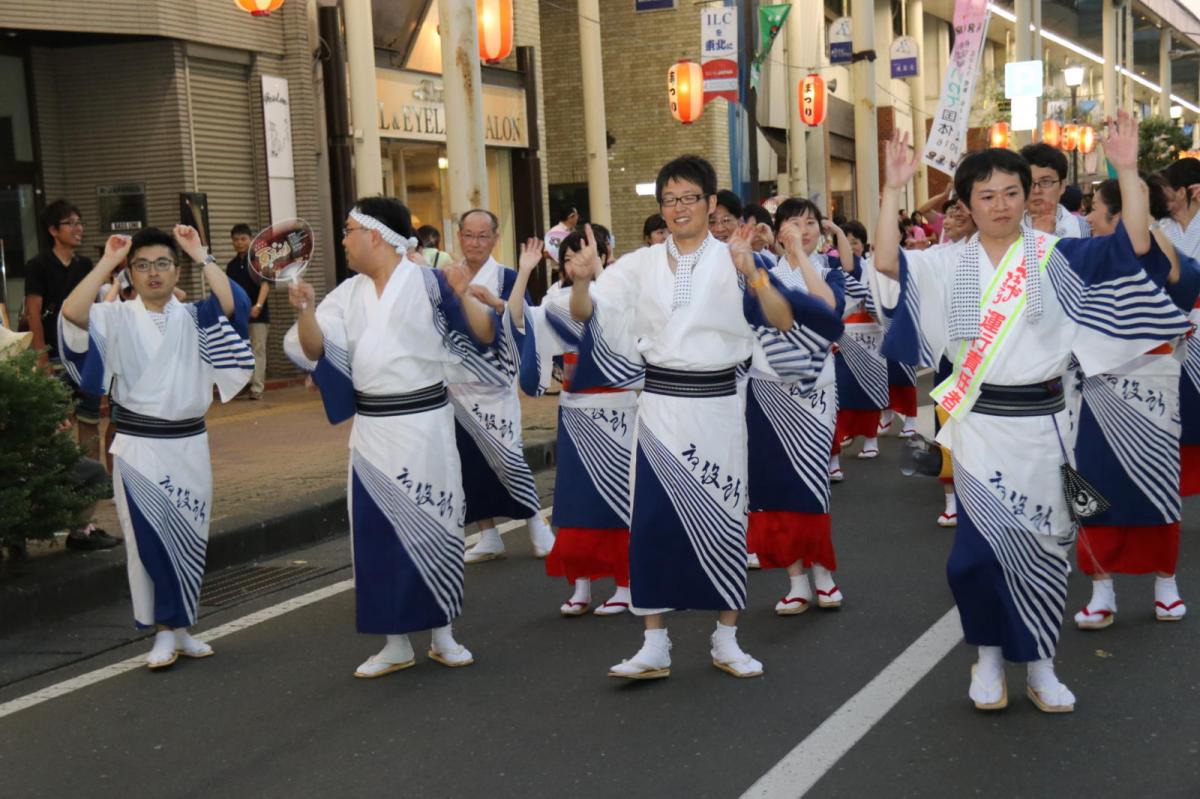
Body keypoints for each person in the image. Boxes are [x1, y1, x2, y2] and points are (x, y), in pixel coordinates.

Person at [873, 114, 1190, 713]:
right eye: (985, 194)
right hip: (978, 429)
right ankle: (988, 656)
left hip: (1048, 427)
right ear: (965, 202)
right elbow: (888, 265)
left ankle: (1041, 665)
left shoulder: (1058, 256)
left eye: (1012, 192)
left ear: (1030, 196)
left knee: (1046, 551)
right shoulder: (946, 263)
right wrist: (892, 189)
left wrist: (1126, 169)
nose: (1000, 204)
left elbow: (1137, 247)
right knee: (978, 555)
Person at [565, 154, 843, 680]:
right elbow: (589, 313)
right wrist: (581, 282)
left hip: (719, 406)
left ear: (712, 204)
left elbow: (782, 321)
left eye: (690, 197)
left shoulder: (736, 258)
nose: (679, 208)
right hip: (660, 408)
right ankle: (654, 642)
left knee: (724, 518)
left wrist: (753, 277)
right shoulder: (639, 264)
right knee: (651, 524)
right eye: (669, 200)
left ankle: (726, 637)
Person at [284, 197, 500, 678]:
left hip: (425, 423)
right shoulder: (347, 294)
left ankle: (442, 632)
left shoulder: (429, 282)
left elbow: (483, 335)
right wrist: (305, 311)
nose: (343, 240)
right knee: (377, 533)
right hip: (374, 432)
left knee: (437, 523)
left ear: (374, 235)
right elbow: (316, 348)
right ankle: (396, 641)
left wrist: (464, 295)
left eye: (348, 230)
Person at [59, 225, 254, 669]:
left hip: (188, 444)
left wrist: (201, 254)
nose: (153, 274)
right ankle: (163, 631)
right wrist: (108, 261)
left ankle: (183, 629)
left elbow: (232, 305)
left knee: (188, 535)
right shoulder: (116, 317)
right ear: (130, 273)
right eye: (142, 266)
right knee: (149, 540)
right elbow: (72, 313)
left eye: (162, 264)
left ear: (176, 269)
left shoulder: (196, 317)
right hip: (138, 446)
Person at [1071, 177, 1200, 629]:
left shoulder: (1157, 249)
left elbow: (1184, 290)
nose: (1088, 217)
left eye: (1096, 209)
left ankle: (1166, 582)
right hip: (1094, 385)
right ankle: (1101, 589)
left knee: (1158, 485)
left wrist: (1145, 226)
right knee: (1089, 486)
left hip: (1151, 381)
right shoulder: (1081, 255)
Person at [509, 231, 637, 616]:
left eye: (584, 252)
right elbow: (518, 320)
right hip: (576, 409)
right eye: (567, 257)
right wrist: (523, 273)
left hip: (621, 407)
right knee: (576, 499)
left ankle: (626, 583)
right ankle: (581, 582)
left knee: (620, 499)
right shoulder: (554, 301)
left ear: (604, 252)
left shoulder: (626, 292)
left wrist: (599, 271)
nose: (574, 261)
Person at [746, 198, 847, 615]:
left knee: (811, 485)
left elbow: (827, 307)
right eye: (793, 222)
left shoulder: (830, 271)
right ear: (777, 227)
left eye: (810, 224)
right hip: (767, 390)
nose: (802, 230)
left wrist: (802, 257)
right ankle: (795, 581)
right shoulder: (758, 271)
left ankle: (823, 575)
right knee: (775, 488)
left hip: (814, 391)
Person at [453, 209, 557, 563]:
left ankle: (536, 524)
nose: (475, 243)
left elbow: (526, 322)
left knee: (508, 459)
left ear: (496, 238)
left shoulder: (507, 277)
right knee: (469, 461)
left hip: (495, 386)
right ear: (459, 236)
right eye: (469, 235)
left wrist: (496, 303)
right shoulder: (448, 277)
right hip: (457, 387)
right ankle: (487, 534)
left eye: (483, 236)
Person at [24, 200, 118, 551]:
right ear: (53, 230)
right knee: (54, 432)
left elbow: (96, 308)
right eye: (71, 224)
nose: (79, 229)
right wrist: (40, 359)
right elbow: (34, 313)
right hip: (54, 360)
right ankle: (54, 511)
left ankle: (86, 521)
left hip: (86, 357)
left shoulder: (85, 265)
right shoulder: (38, 266)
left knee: (90, 427)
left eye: (80, 222)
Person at [1157, 159, 1200, 496]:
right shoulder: (1162, 229)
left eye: (1171, 194)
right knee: (1180, 403)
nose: (1167, 201)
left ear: (1189, 192)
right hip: (1172, 326)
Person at [830, 218, 887, 466]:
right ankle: (847, 433)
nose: (851, 247)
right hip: (846, 337)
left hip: (871, 336)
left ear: (864, 245)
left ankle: (871, 440)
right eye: (846, 241)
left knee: (870, 389)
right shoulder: (834, 271)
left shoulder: (873, 270)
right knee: (843, 389)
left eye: (856, 242)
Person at [226, 224, 271, 400]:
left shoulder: (260, 261)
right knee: (241, 350)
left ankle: (257, 387)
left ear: (251, 240)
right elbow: (229, 289)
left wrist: (258, 306)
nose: (239, 243)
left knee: (257, 350)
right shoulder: (231, 266)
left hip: (258, 315)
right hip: (238, 315)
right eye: (235, 239)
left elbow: (266, 285)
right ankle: (245, 383)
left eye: (243, 239)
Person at [1019, 143, 1091, 238]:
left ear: (1062, 186)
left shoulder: (1084, 229)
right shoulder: (1007, 229)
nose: (1036, 190)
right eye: (1029, 182)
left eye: (1045, 182)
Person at [544, 203, 579, 268]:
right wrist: (564, 255)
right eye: (576, 215)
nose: (577, 218)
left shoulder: (573, 231)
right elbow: (546, 253)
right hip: (560, 271)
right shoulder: (555, 232)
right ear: (571, 217)